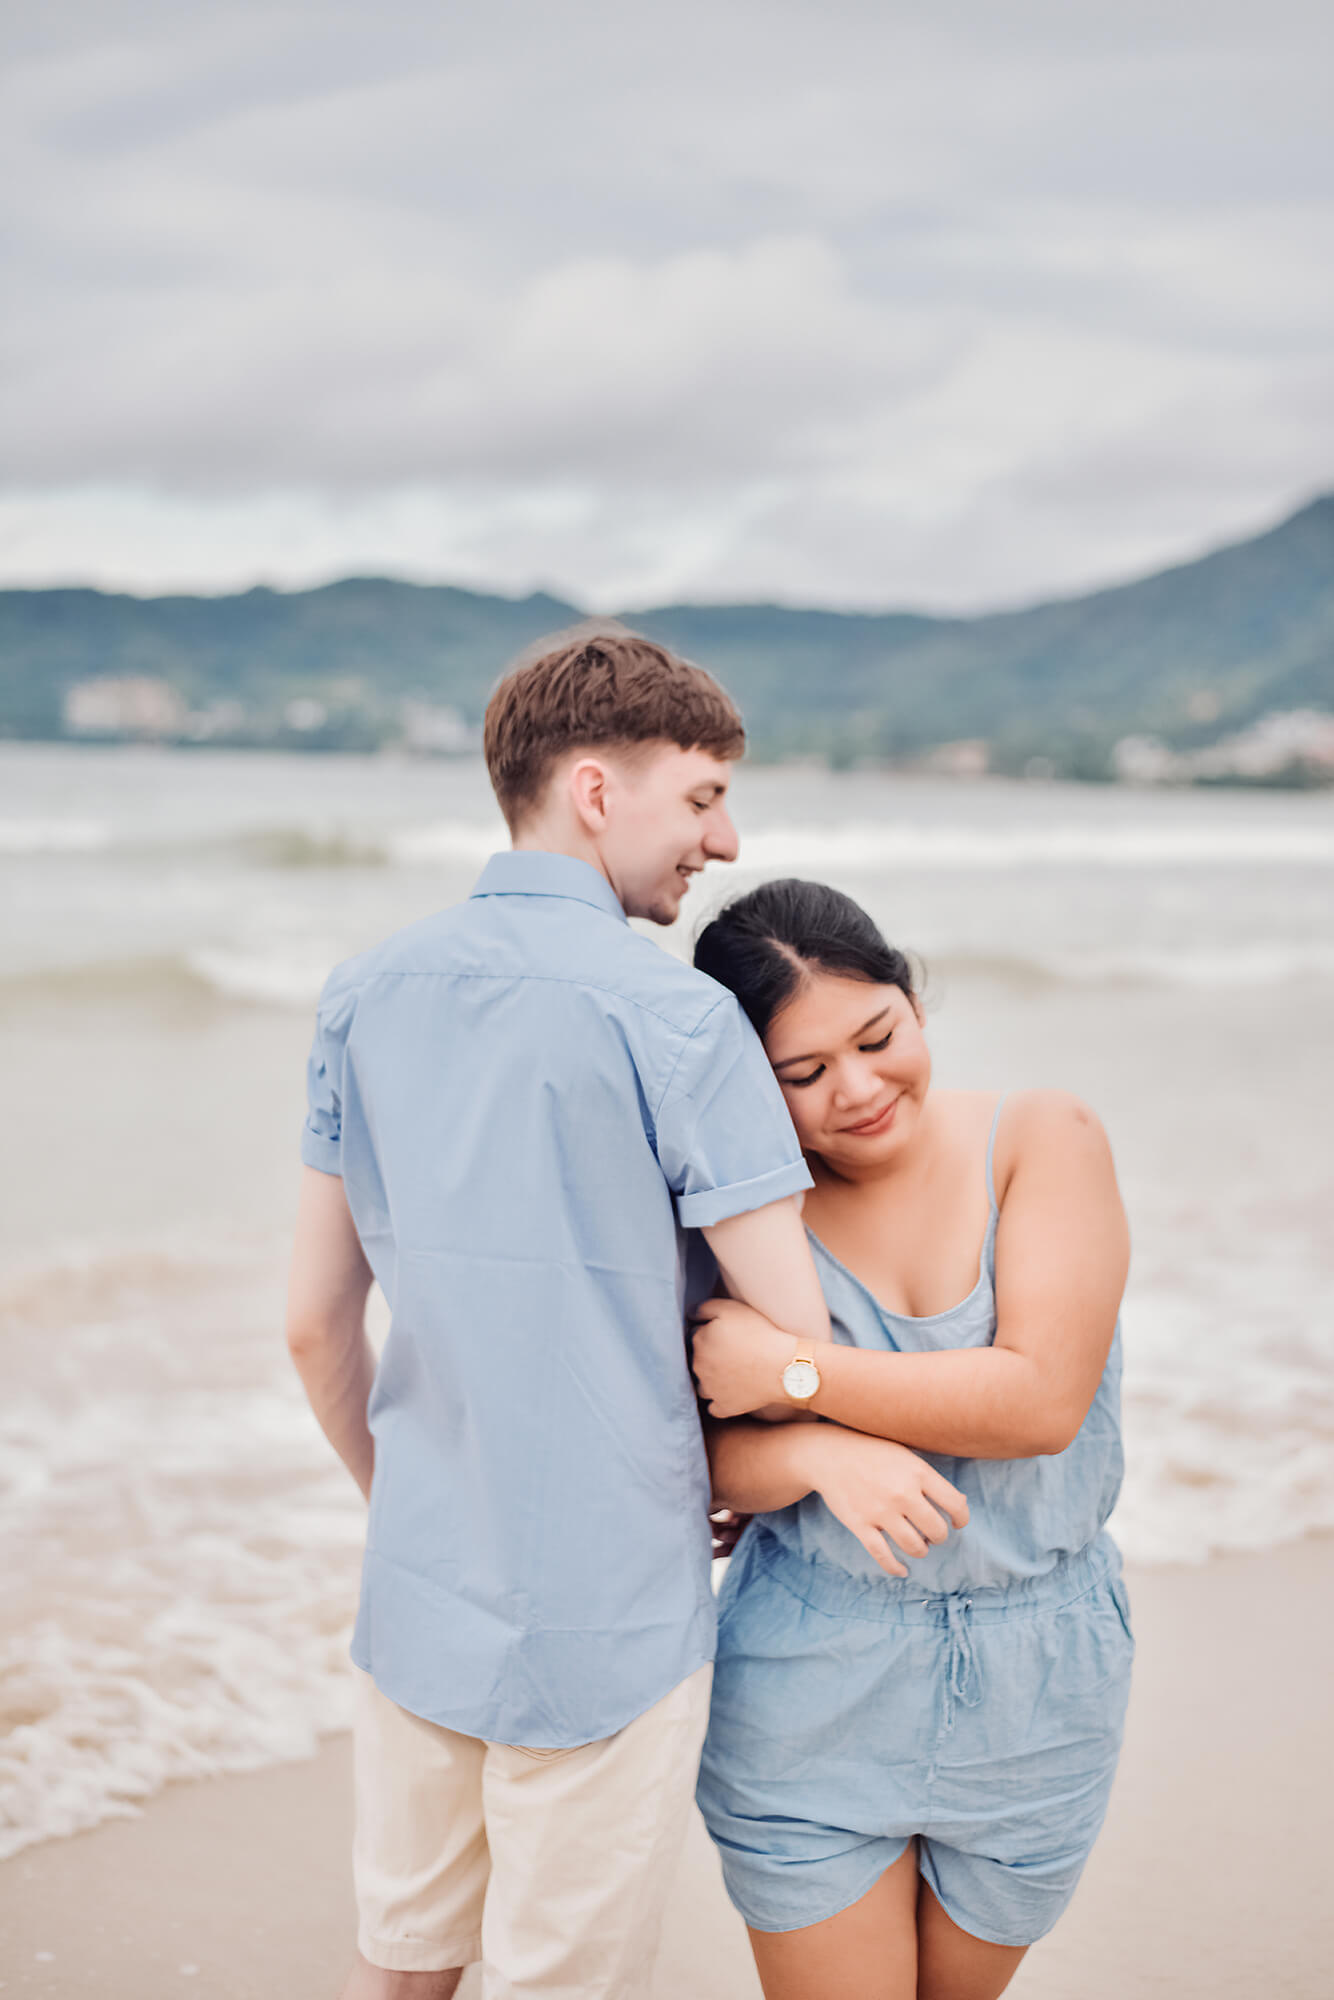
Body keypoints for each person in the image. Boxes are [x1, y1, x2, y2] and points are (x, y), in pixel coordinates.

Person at [284, 637, 966, 2000]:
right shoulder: (675, 1017)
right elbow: (790, 1344)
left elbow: (313, 1323)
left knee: (401, 1962)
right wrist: (790, 1457)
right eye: (702, 794)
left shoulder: (362, 991)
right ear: (597, 790)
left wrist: (404, 1499)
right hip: (610, 1608)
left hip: (419, 1586)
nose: (723, 838)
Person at [687, 878, 1133, 2000]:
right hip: (808, 1674)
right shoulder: (742, 1218)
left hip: (1041, 1679)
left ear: (912, 1001)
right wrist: (814, 1451)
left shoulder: (1042, 1136)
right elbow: (699, 1459)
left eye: (876, 1035)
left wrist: (794, 1374)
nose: (858, 1088)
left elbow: (1038, 1402)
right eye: (803, 1073)